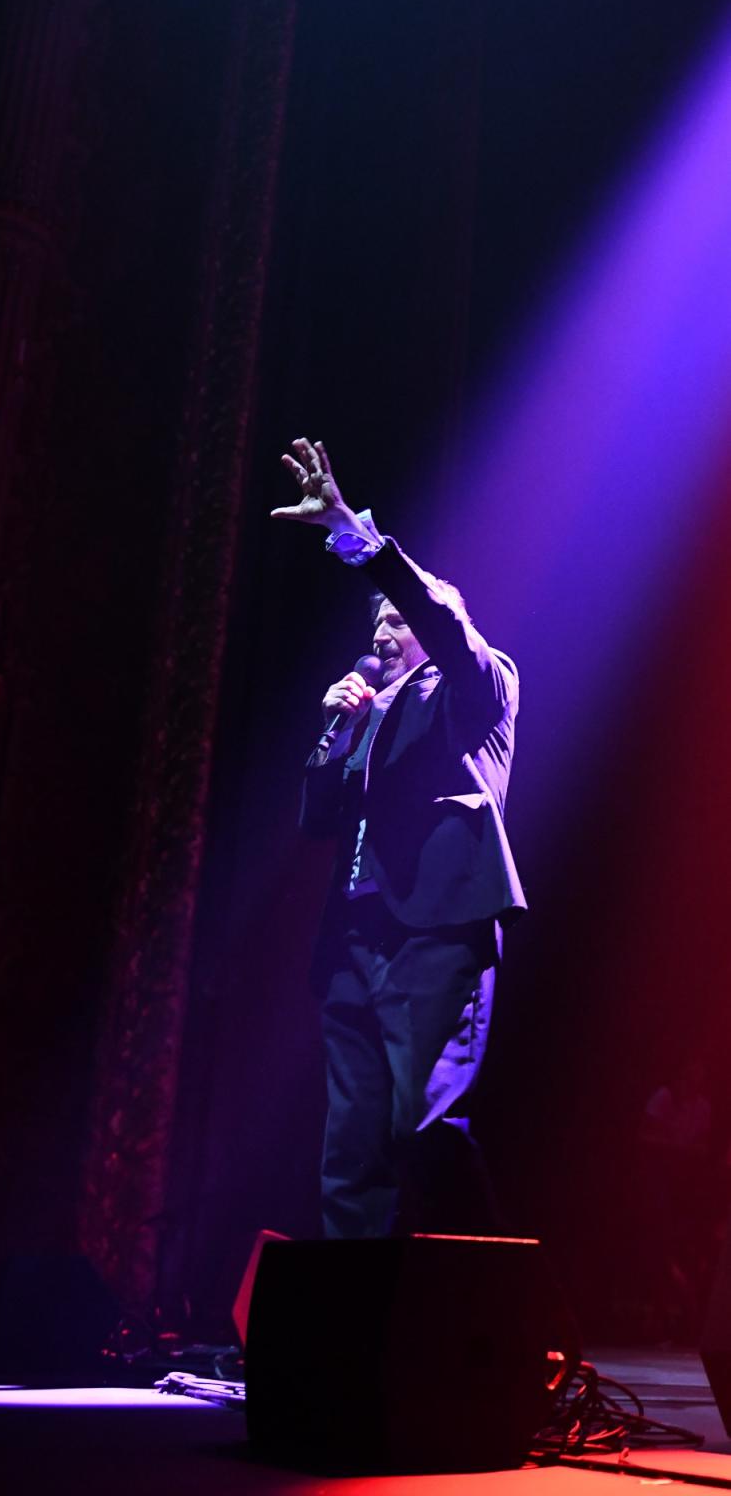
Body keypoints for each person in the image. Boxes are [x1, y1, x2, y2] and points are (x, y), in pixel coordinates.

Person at [272, 436, 526, 1237]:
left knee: (425, 1130)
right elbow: (317, 825)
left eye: (395, 622)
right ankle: (356, 1340)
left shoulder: (476, 689)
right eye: (375, 624)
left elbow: (440, 622)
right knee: (350, 1149)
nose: (381, 634)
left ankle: (483, 1325)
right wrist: (330, 737)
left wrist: (358, 538)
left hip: (435, 936)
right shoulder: (367, 717)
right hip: (354, 939)